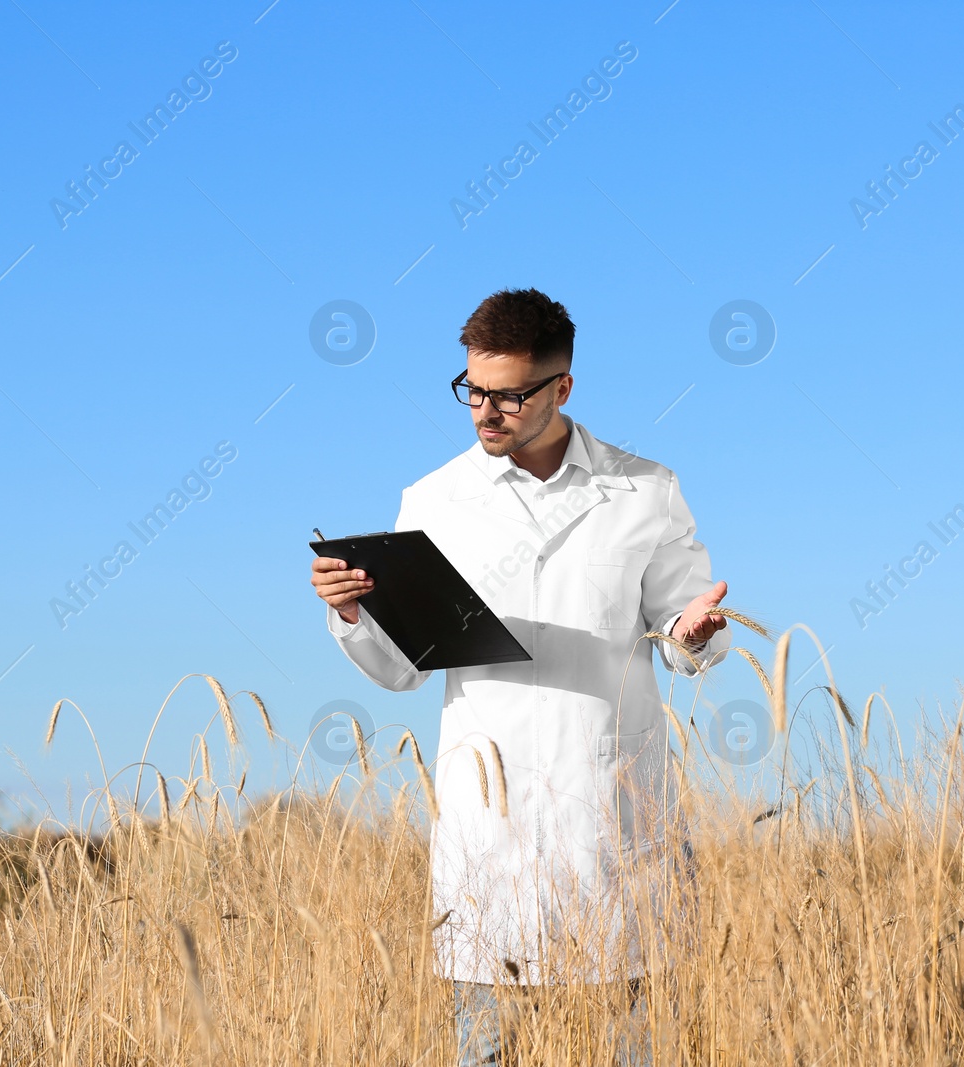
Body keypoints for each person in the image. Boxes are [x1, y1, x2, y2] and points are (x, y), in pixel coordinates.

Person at [311, 287, 730, 1065]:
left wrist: (694, 631)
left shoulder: (644, 491)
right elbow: (404, 670)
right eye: (473, 389)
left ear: (562, 387)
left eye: (508, 395)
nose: (485, 411)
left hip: (612, 833)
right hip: (489, 844)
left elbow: (681, 631)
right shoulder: (434, 499)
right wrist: (350, 616)